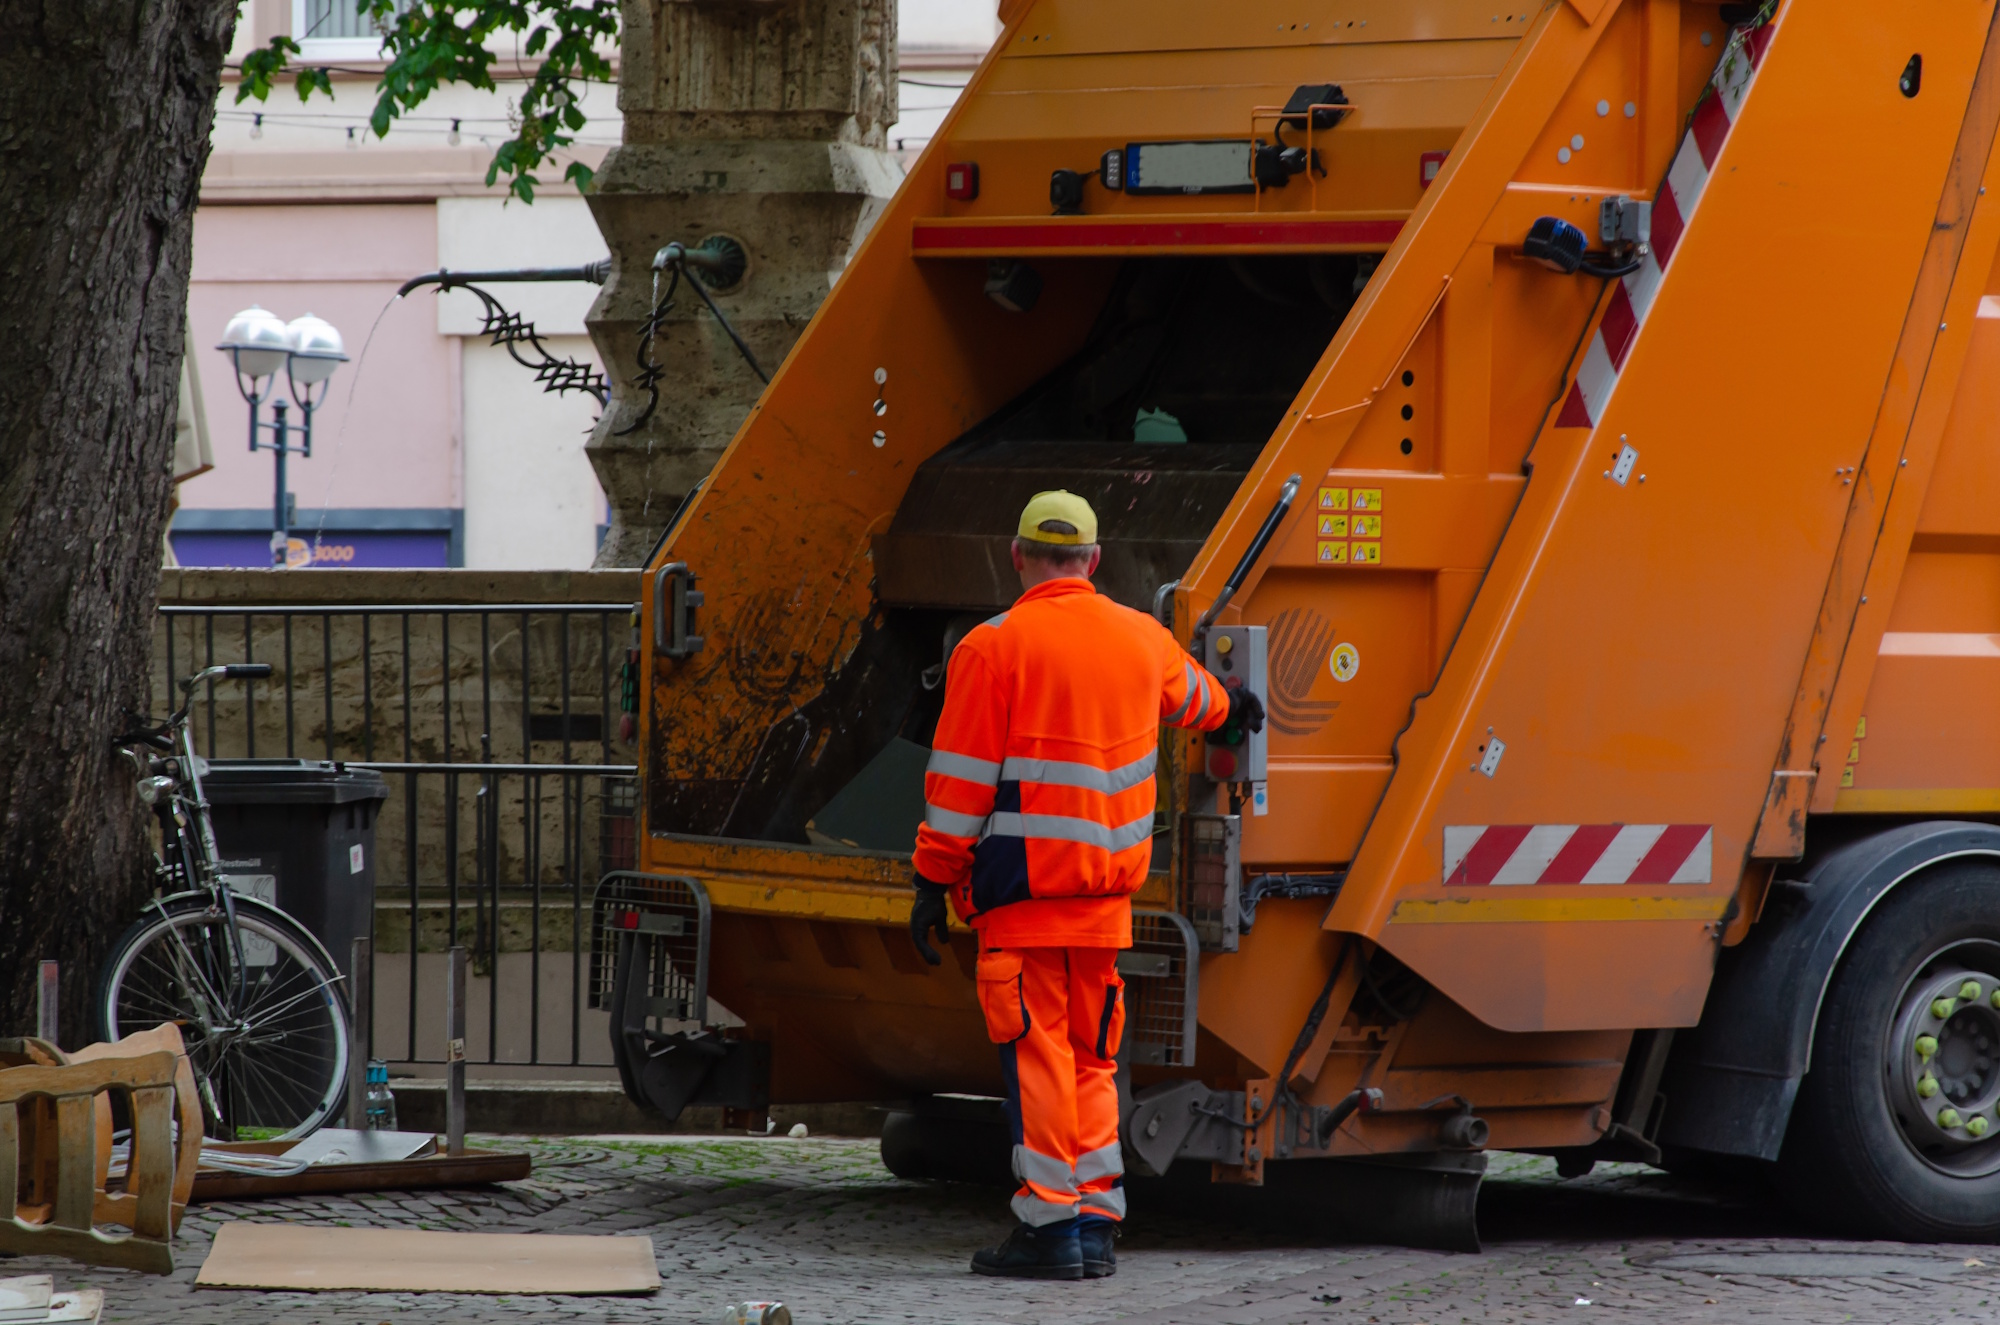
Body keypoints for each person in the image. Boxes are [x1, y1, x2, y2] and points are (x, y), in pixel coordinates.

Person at [908, 489, 1262, 1281]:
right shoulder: (1143, 638)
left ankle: (1046, 1228)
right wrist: (1237, 708)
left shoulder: (991, 648)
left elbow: (959, 786)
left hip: (1025, 904)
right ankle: (1097, 1222)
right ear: (1095, 561)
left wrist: (932, 879)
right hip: (1106, 909)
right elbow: (1204, 701)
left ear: (1018, 555)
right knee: (1093, 1062)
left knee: (1038, 1061)